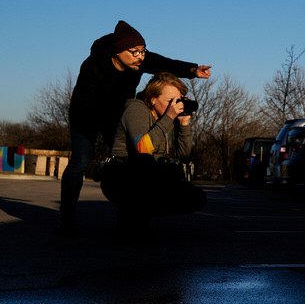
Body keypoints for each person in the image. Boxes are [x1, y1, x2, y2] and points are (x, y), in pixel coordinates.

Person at [59, 20, 211, 234]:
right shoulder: (93, 66)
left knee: (136, 158)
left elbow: (163, 63)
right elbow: (85, 102)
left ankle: (133, 215)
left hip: (116, 114)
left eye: (143, 51)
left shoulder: (139, 61)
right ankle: (66, 219)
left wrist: (193, 70)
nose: (140, 56)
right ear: (118, 51)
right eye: (135, 52)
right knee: (80, 161)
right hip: (86, 115)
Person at [99, 72, 207, 232]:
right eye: (170, 101)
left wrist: (184, 124)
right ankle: (132, 222)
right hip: (120, 176)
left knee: (195, 197)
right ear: (152, 99)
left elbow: (184, 156)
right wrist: (168, 118)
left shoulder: (167, 117)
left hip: (148, 177)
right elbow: (142, 149)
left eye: (178, 100)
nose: (175, 106)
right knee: (145, 163)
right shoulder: (136, 109)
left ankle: (142, 218)